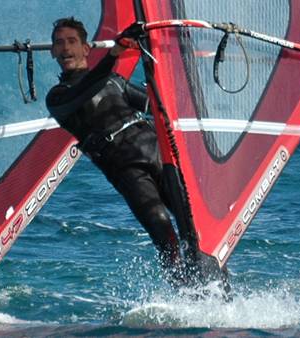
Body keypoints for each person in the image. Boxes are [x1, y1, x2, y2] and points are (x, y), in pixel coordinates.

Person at [45, 17, 228, 290]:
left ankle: (220, 288)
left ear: (86, 48)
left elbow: (156, 103)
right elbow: (87, 88)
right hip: (126, 169)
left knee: (194, 225)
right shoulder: (59, 97)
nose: (65, 48)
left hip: (157, 152)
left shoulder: (114, 81)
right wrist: (115, 53)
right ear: (52, 52)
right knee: (163, 233)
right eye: (59, 43)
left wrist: (165, 61)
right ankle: (188, 296)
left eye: (72, 41)